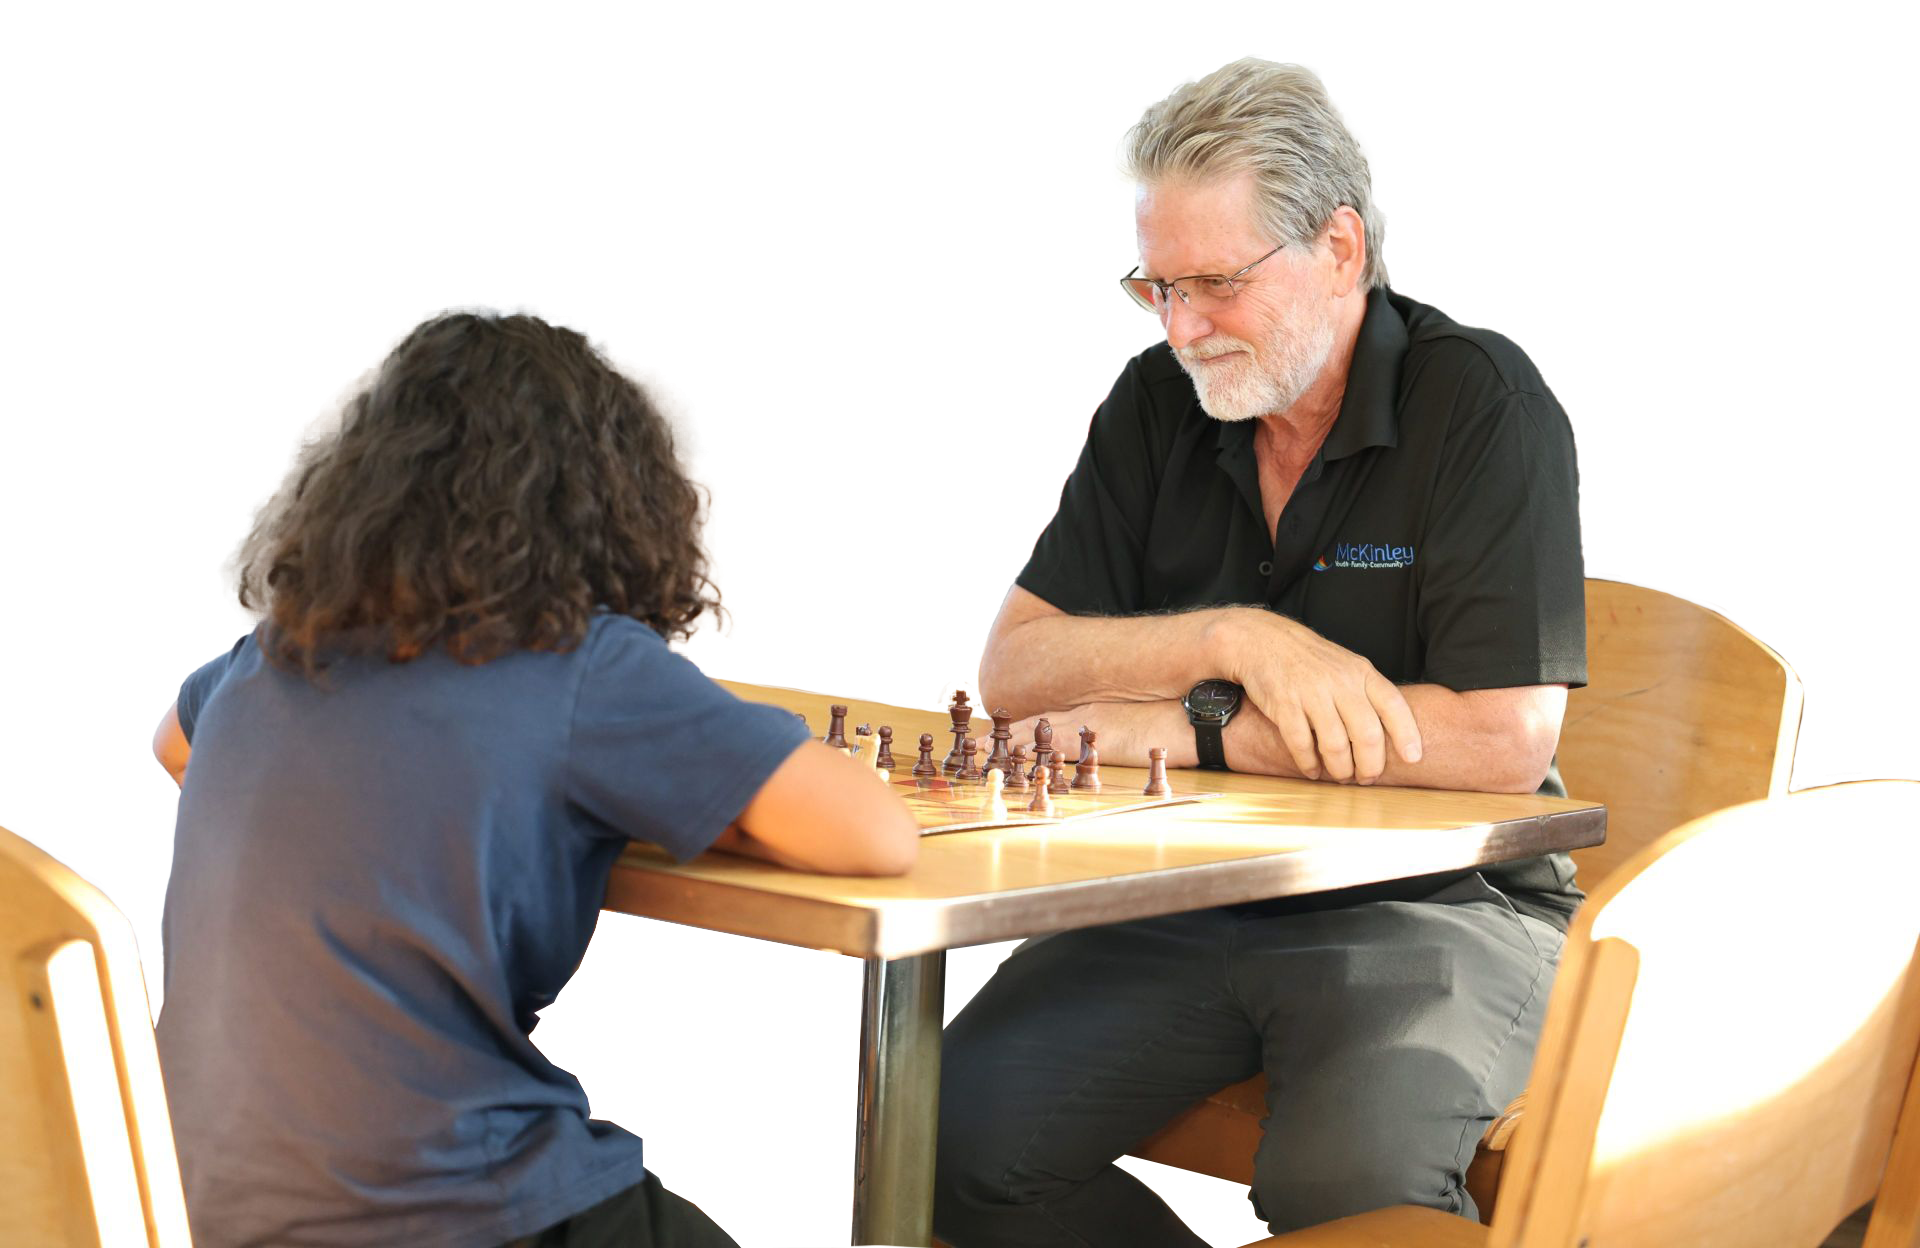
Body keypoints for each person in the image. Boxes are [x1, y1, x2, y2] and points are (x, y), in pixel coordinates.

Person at [932, 59, 1586, 1245]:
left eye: (1217, 283)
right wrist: (1236, 639)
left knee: (1345, 1195)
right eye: (1155, 286)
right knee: (941, 1144)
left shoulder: (1481, 397)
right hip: (1187, 896)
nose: (1181, 327)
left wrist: (1196, 723)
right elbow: (1014, 674)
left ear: (1339, 248)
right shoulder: (1154, 398)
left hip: (1437, 907)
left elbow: (1500, 741)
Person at [148, 303, 921, 1248]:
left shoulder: (274, 647)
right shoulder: (580, 663)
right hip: (439, 1209)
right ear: (602, 497)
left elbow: (175, 748)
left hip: (202, 1199)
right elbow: (878, 836)